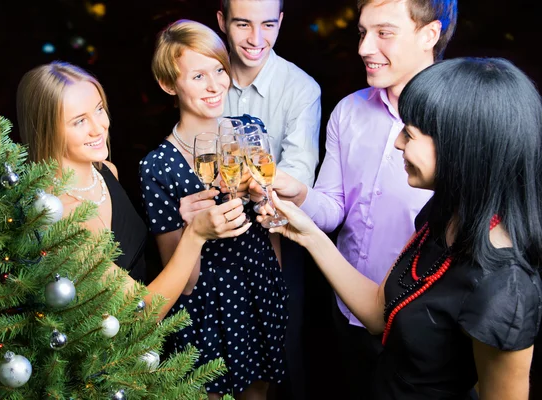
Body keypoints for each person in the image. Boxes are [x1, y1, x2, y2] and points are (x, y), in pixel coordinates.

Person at [264, 57, 542, 399]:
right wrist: (308, 234)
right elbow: (381, 312)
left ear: (462, 148)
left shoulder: (504, 290)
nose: (397, 143)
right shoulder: (440, 215)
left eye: (409, 133)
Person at [254, 0, 457, 397]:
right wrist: (300, 194)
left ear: (428, 35)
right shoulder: (348, 111)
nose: (364, 47)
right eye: (363, 33)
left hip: (425, 325)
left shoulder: (460, 122)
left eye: (384, 33)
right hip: (346, 311)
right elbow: (332, 209)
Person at [16, 61, 250, 319]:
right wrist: (195, 235)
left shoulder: (106, 171)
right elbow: (143, 312)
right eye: (79, 121)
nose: (99, 127)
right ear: (47, 129)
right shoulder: (61, 217)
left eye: (99, 110)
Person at [140, 19, 288, 399]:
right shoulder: (158, 167)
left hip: (260, 287)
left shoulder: (249, 128)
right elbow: (183, 282)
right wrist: (195, 231)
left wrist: (264, 205)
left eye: (219, 70)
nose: (215, 85)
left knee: (259, 393)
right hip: (206, 306)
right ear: (169, 85)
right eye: (198, 76)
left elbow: (270, 221)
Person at [215, 2, 321, 396]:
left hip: (277, 237)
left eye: (268, 25)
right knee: (212, 358)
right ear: (222, 20)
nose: (256, 40)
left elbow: (298, 178)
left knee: (281, 355)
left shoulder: (302, 88)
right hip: (213, 237)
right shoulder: (207, 74)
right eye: (243, 24)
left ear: (281, 23)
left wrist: (249, 182)